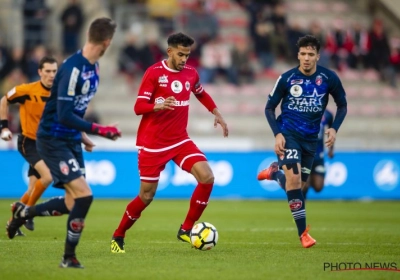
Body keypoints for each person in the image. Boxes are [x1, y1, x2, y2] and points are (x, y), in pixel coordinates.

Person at [7, 17, 121, 268]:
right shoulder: (73, 69)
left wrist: (84, 137)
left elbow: (77, 110)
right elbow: (64, 114)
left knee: (72, 203)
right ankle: (68, 258)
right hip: (52, 139)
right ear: (106, 42)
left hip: (71, 140)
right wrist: (99, 129)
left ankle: (25, 211)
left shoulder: (94, 68)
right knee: (84, 196)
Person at [110, 32, 229, 253]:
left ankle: (185, 229)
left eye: (187, 55)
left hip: (180, 140)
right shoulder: (154, 73)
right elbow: (138, 107)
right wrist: (157, 104)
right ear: (170, 51)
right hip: (152, 144)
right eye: (181, 54)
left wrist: (216, 112)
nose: (184, 59)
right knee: (146, 196)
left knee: (207, 177)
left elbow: (200, 93)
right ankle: (118, 235)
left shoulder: (191, 73)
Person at [257, 35, 347, 248]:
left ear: (317, 56)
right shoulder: (287, 78)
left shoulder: (328, 78)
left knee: (298, 185)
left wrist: (334, 129)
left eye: (310, 54)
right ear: (298, 55)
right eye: (303, 54)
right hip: (289, 135)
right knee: (296, 183)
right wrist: (277, 134)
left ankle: (274, 173)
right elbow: (269, 108)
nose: (306, 58)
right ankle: (303, 234)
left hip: (311, 141)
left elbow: (342, 105)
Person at [1, 56, 57, 235]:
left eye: (54, 71)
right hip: (29, 142)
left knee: (33, 188)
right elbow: (4, 100)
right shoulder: (27, 90)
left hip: (46, 144)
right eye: (47, 71)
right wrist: (3, 128)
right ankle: (27, 213)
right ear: (40, 72)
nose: (51, 75)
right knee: (47, 177)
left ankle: (13, 222)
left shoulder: (58, 93)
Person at [302, 109, 334, 199]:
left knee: (318, 187)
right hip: (305, 155)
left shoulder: (328, 115)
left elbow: (331, 131)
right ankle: (301, 205)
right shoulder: (303, 110)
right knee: (305, 184)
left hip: (318, 156)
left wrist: (331, 149)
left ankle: (307, 180)